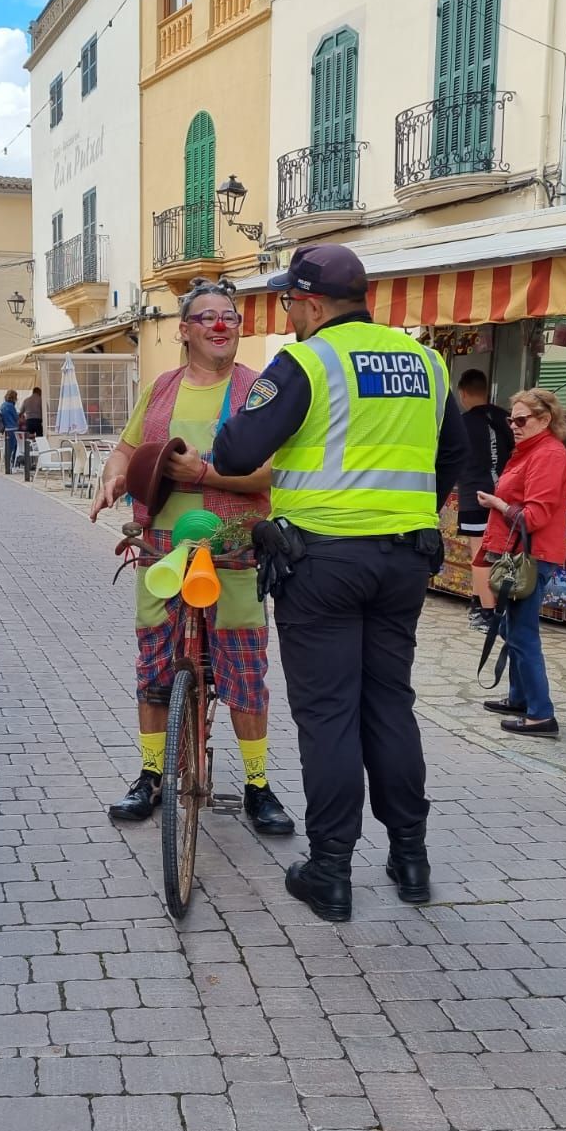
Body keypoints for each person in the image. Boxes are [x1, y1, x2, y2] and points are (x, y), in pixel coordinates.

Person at [212, 244, 467, 922]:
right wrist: (404, 516)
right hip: (405, 560)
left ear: (313, 303)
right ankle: (410, 858)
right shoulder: (427, 362)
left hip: (320, 562)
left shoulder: (308, 360)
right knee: (389, 703)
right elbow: (453, 458)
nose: (289, 314)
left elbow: (234, 452)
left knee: (328, 715)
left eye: (290, 302)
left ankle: (329, 870)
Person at [89, 278, 293, 837]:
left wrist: (207, 473)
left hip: (234, 551)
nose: (221, 325)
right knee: (154, 665)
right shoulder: (160, 389)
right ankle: (151, 774)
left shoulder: (262, 390)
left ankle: (257, 785)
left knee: (246, 670)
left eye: (228, 315)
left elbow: (276, 470)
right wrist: (112, 480)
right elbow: (128, 450)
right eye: (207, 317)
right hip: (161, 549)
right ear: (183, 331)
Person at [474, 388, 566, 739]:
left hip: (531, 554)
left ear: (544, 420)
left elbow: (534, 516)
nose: (513, 426)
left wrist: (498, 504)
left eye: (521, 420)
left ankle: (540, 714)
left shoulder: (548, 455)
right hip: (519, 552)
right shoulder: (532, 451)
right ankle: (520, 698)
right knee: (512, 628)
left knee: (522, 634)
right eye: (510, 420)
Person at [456, 369, 514, 631]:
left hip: (474, 496)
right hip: (505, 496)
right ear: (487, 389)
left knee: (480, 554)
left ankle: (485, 612)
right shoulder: (507, 419)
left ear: (463, 393)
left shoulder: (462, 422)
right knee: (499, 553)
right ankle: (485, 604)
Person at [0, 390, 19, 474]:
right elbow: (16, 417)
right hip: (13, 429)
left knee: (8, 448)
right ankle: (11, 466)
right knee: (14, 447)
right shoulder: (11, 406)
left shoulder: (3, 405)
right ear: (14, 397)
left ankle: (7, 466)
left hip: (6, 430)